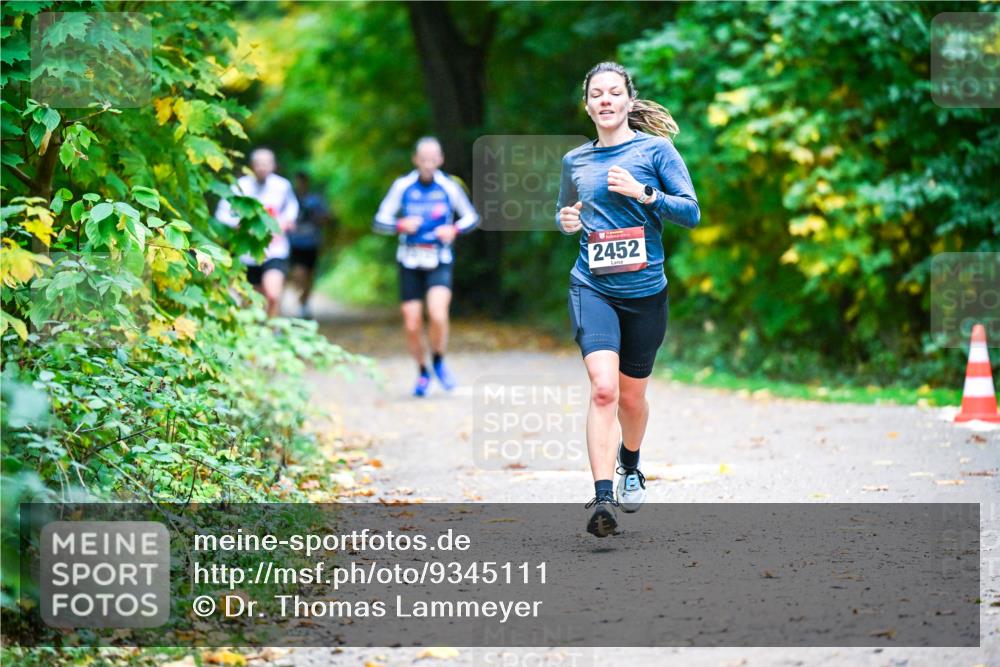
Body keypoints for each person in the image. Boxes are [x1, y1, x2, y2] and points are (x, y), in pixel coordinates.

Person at [556, 62, 700, 537]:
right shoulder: (575, 161)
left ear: (628, 101)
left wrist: (645, 193)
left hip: (645, 293)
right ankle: (602, 499)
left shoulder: (656, 151)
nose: (605, 100)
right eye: (596, 93)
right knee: (604, 389)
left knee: (632, 399)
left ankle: (630, 464)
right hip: (592, 286)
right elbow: (566, 210)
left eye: (614, 92)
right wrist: (567, 221)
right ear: (587, 105)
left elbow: (691, 212)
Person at [373, 137, 480, 397]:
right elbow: (379, 220)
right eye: (424, 159)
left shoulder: (449, 186)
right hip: (409, 260)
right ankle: (422, 371)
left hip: (439, 259)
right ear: (415, 160)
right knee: (412, 324)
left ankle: (439, 361)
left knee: (438, 314)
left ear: (440, 160)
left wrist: (453, 229)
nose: (428, 164)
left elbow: (471, 217)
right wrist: (400, 225)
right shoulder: (402, 186)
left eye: (433, 159)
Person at [215, 147, 299, 318]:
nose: (262, 167)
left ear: (274, 165)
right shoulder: (240, 186)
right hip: (247, 252)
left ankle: (271, 328)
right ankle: (255, 329)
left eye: (266, 163)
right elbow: (222, 213)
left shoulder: (282, 186)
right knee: (250, 300)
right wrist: (237, 225)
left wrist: (286, 222)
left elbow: (292, 208)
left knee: (273, 295)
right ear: (252, 165)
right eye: (259, 164)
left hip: (275, 250)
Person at [289, 171, 334, 319]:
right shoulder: (291, 199)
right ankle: (301, 299)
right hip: (294, 243)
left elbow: (327, 218)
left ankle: (304, 302)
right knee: (298, 273)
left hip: (312, 243)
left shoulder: (316, 200)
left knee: (309, 274)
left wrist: (317, 217)